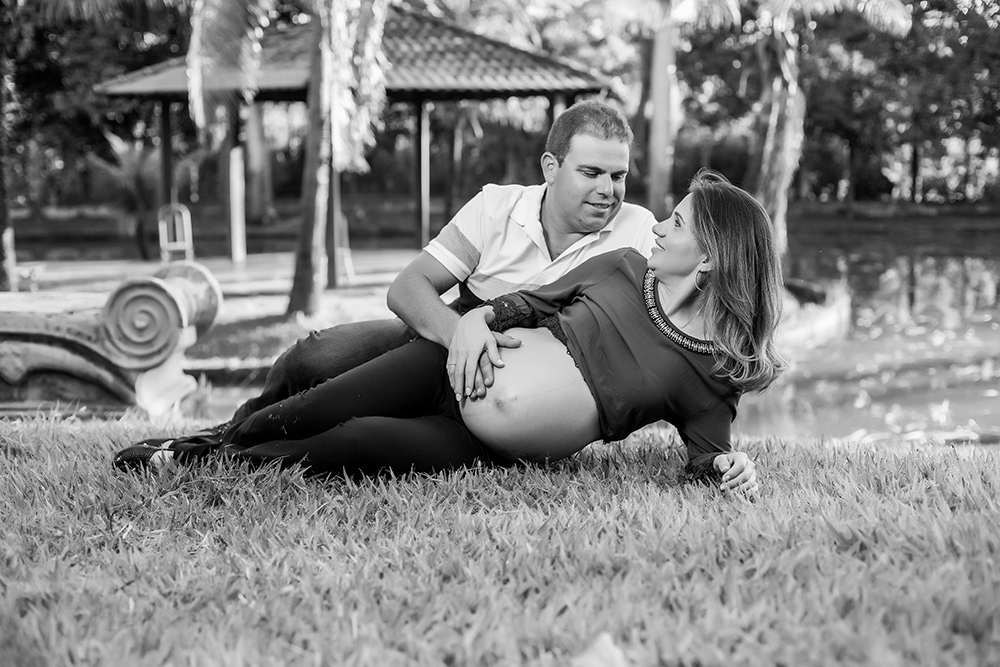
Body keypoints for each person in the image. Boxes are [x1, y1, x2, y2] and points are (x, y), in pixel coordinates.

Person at [115, 170, 785, 493]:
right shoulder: (622, 266)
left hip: (484, 442)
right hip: (446, 366)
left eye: (677, 223)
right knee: (315, 404)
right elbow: (526, 304)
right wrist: (473, 323)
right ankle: (198, 447)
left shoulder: (708, 372)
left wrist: (733, 470)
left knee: (352, 443)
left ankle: (226, 461)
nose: (658, 225)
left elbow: (708, 460)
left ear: (711, 257)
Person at [116, 100, 656, 460]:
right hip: (438, 338)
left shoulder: (637, 232)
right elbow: (408, 288)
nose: (608, 190)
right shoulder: (499, 207)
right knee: (312, 358)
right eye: (591, 172)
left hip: (518, 385)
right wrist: (460, 336)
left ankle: (234, 450)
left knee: (356, 434)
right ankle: (223, 435)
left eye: (619, 175)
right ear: (550, 167)